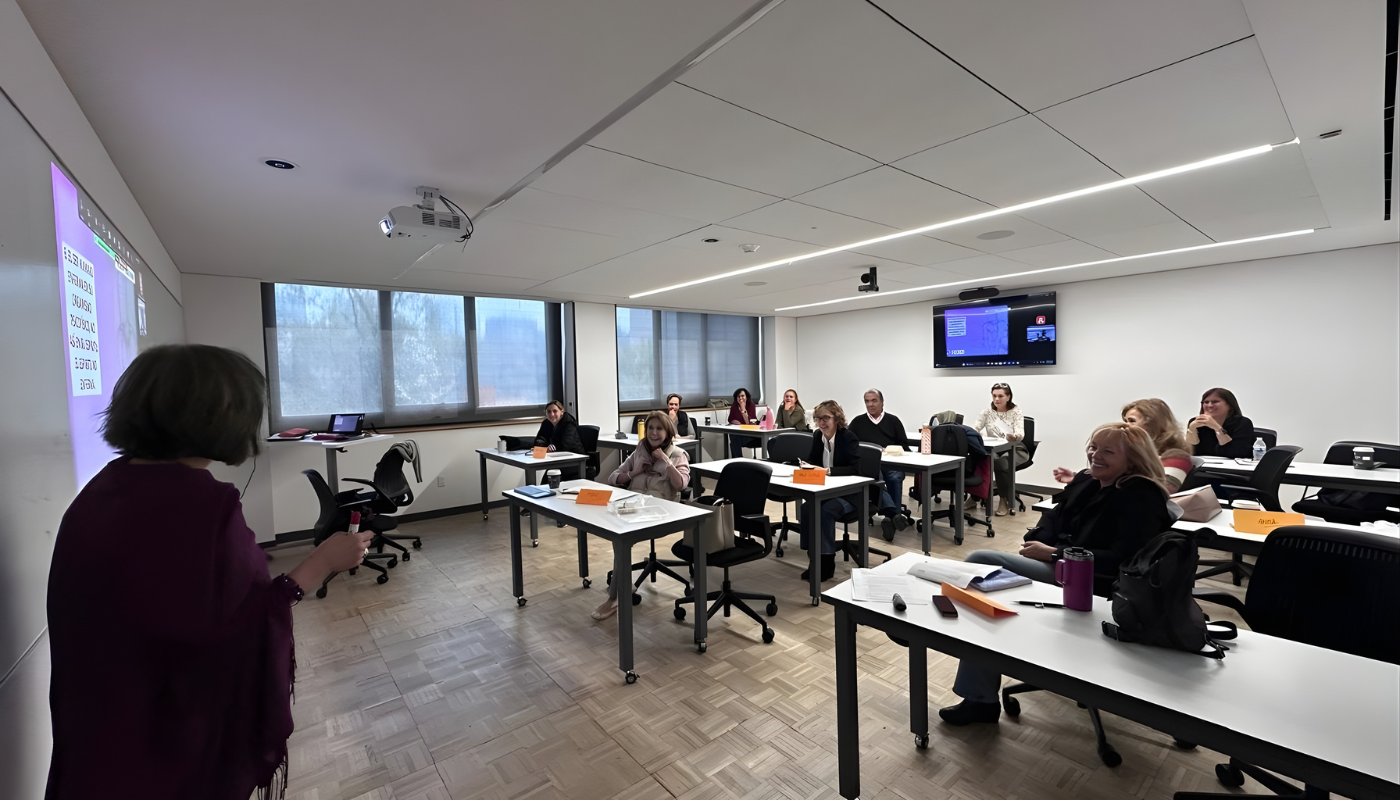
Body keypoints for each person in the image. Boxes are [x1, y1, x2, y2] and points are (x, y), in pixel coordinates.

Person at [45, 345, 373, 800]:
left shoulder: (101, 489)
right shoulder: (204, 507)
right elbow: (239, 629)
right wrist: (321, 562)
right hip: (169, 752)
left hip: (97, 732)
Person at [939, 422, 1172, 726]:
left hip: (1095, 582)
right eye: (1093, 447)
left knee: (981, 562)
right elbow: (1054, 517)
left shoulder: (1141, 495)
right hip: (1062, 566)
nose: (1095, 455)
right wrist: (1042, 538)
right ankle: (976, 692)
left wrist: (1054, 553)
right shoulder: (1089, 480)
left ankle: (948, 641)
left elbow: (1124, 560)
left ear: (1133, 458)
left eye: (1107, 451)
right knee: (983, 596)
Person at [592, 411, 691, 620]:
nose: (654, 433)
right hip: (634, 507)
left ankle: (616, 597)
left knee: (620, 538)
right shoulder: (639, 451)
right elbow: (613, 478)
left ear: (668, 431)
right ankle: (623, 588)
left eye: (659, 428)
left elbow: (681, 484)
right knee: (614, 530)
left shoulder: (677, 454)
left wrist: (665, 461)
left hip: (662, 511)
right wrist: (633, 473)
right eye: (650, 428)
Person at [797, 400, 874, 582]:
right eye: (818, 419)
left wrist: (827, 471)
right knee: (807, 509)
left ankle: (827, 561)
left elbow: (855, 468)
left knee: (825, 511)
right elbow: (813, 461)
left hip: (851, 493)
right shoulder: (818, 436)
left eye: (826, 418)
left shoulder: (848, 437)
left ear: (837, 419)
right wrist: (806, 467)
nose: (822, 423)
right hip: (828, 489)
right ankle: (814, 557)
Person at [846, 388, 908, 541]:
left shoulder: (893, 421)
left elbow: (904, 446)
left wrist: (891, 450)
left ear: (882, 402)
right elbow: (849, 445)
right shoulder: (858, 422)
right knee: (875, 476)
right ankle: (894, 515)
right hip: (870, 464)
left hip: (892, 462)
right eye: (867, 401)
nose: (870, 404)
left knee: (894, 477)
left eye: (874, 401)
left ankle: (890, 515)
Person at [972, 382, 1028, 516]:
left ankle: (1003, 500)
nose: (997, 399)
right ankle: (974, 497)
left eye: (1001, 396)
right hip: (994, 448)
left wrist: (1015, 436)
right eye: (994, 396)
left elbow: (1021, 433)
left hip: (1015, 448)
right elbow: (975, 428)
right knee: (979, 459)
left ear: (1008, 397)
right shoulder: (987, 412)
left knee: (1001, 463)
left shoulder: (1016, 412)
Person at [1122, 398, 1193, 491]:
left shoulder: (1176, 456)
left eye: (1131, 421)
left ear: (1152, 425)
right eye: (1125, 421)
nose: (1125, 426)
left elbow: (1164, 490)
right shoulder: (1129, 452)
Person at [1186, 387, 1255, 459]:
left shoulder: (1242, 423)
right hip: (1203, 467)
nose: (1209, 405)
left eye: (1215, 401)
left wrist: (1217, 428)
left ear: (1230, 406)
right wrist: (1192, 429)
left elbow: (1236, 453)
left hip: (1233, 468)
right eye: (1206, 402)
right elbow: (1190, 452)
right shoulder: (1196, 422)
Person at [727, 387, 760, 457]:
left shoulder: (751, 406)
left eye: (742, 396)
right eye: (738, 396)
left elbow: (750, 422)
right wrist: (733, 421)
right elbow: (730, 419)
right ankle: (737, 461)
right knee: (733, 437)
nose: (740, 398)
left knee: (734, 441)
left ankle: (738, 460)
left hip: (751, 434)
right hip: (740, 433)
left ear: (746, 397)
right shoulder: (734, 406)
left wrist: (743, 410)